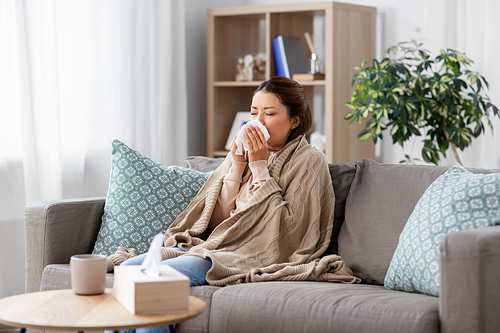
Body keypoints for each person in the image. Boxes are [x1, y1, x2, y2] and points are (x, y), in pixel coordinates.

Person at [106, 76, 359, 333]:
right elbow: (216, 223)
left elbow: (289, 235)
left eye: (269, 113)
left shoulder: (309, 161)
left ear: (294, 121)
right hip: (214, 247)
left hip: (245, 256)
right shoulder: (239, 155)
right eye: (253, 112)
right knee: (127, 270)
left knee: (155, 280)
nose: (257, 122)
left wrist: (260, 167)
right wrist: (238, 165)